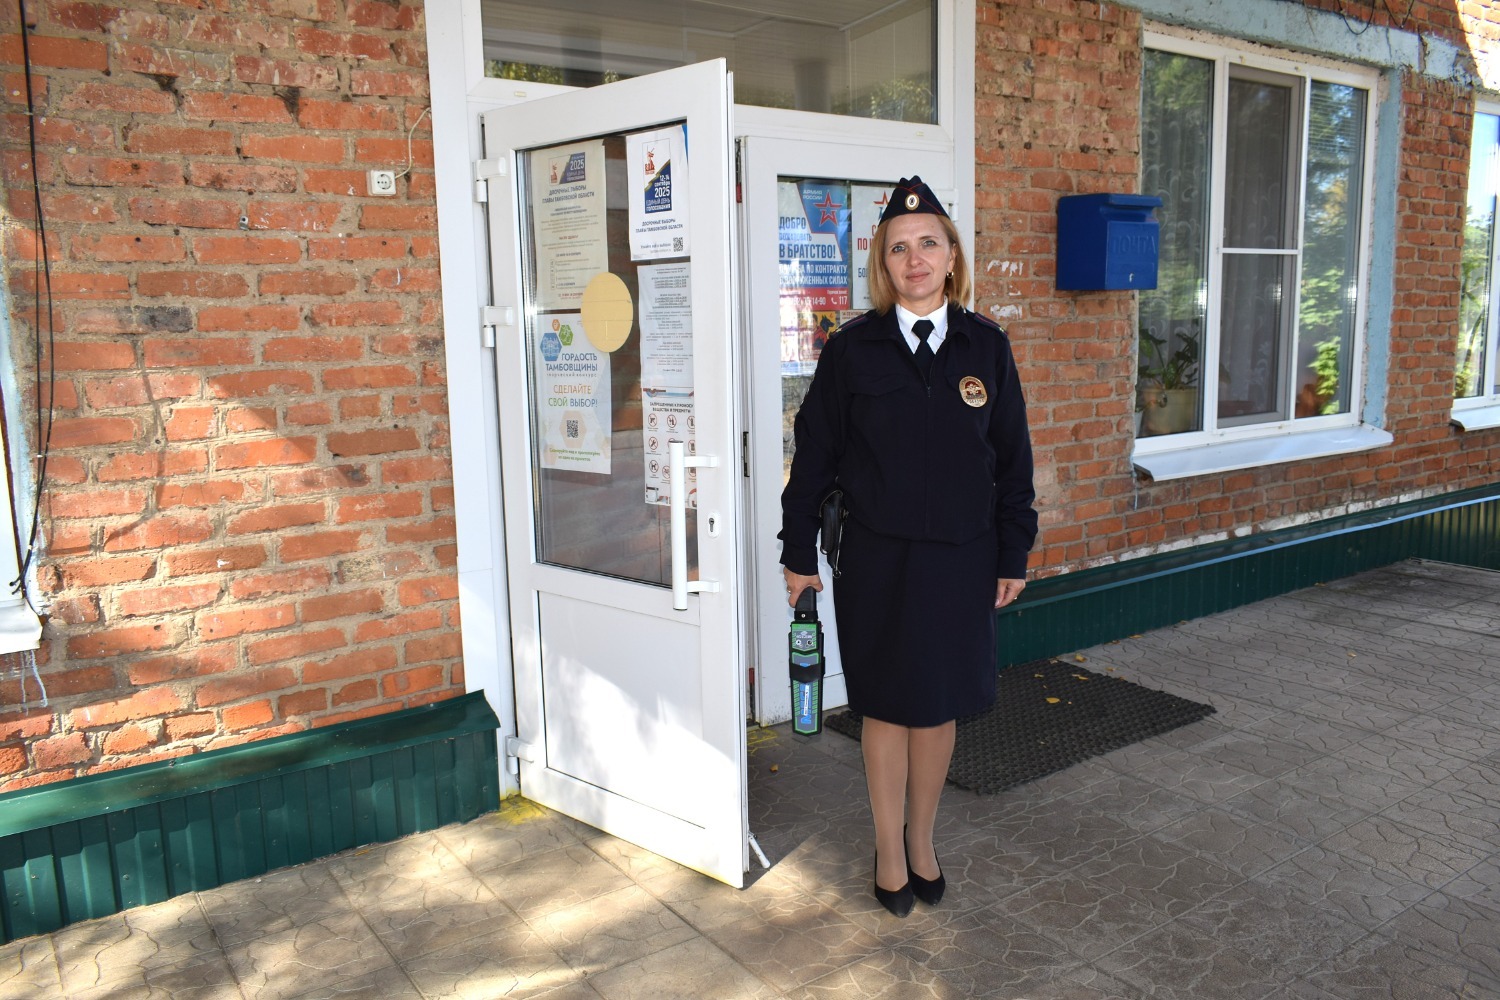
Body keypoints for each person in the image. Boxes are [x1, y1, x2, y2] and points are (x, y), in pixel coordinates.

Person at [779, 176, 1038, 917]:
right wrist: (798, 555)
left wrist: (1012, 553)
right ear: (883, 264)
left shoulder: (987, 346)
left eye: (928, 243)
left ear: (952, 256)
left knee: (939, 707)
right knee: (888, 707)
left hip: (962, 559)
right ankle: (887, 850)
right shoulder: (851, 350)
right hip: (878, 562)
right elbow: (815, 458)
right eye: (899, 248)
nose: (915, 259)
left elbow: (1013, 463)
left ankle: (921, 840)